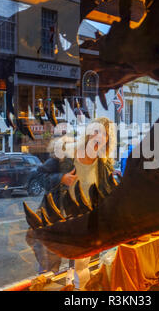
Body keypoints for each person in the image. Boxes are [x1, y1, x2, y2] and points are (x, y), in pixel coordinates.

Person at [25, 117, 116, 289]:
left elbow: (107, 195)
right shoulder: (66, 156)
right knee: (49, 274)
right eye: (96, 131)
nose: (98, 136)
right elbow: (35, 177)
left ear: (108, 139)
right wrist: (61, 178)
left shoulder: (104, 164)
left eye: (104, 134)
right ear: (89, 133)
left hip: (85, 227)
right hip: (57, 224)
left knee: (80, 275)